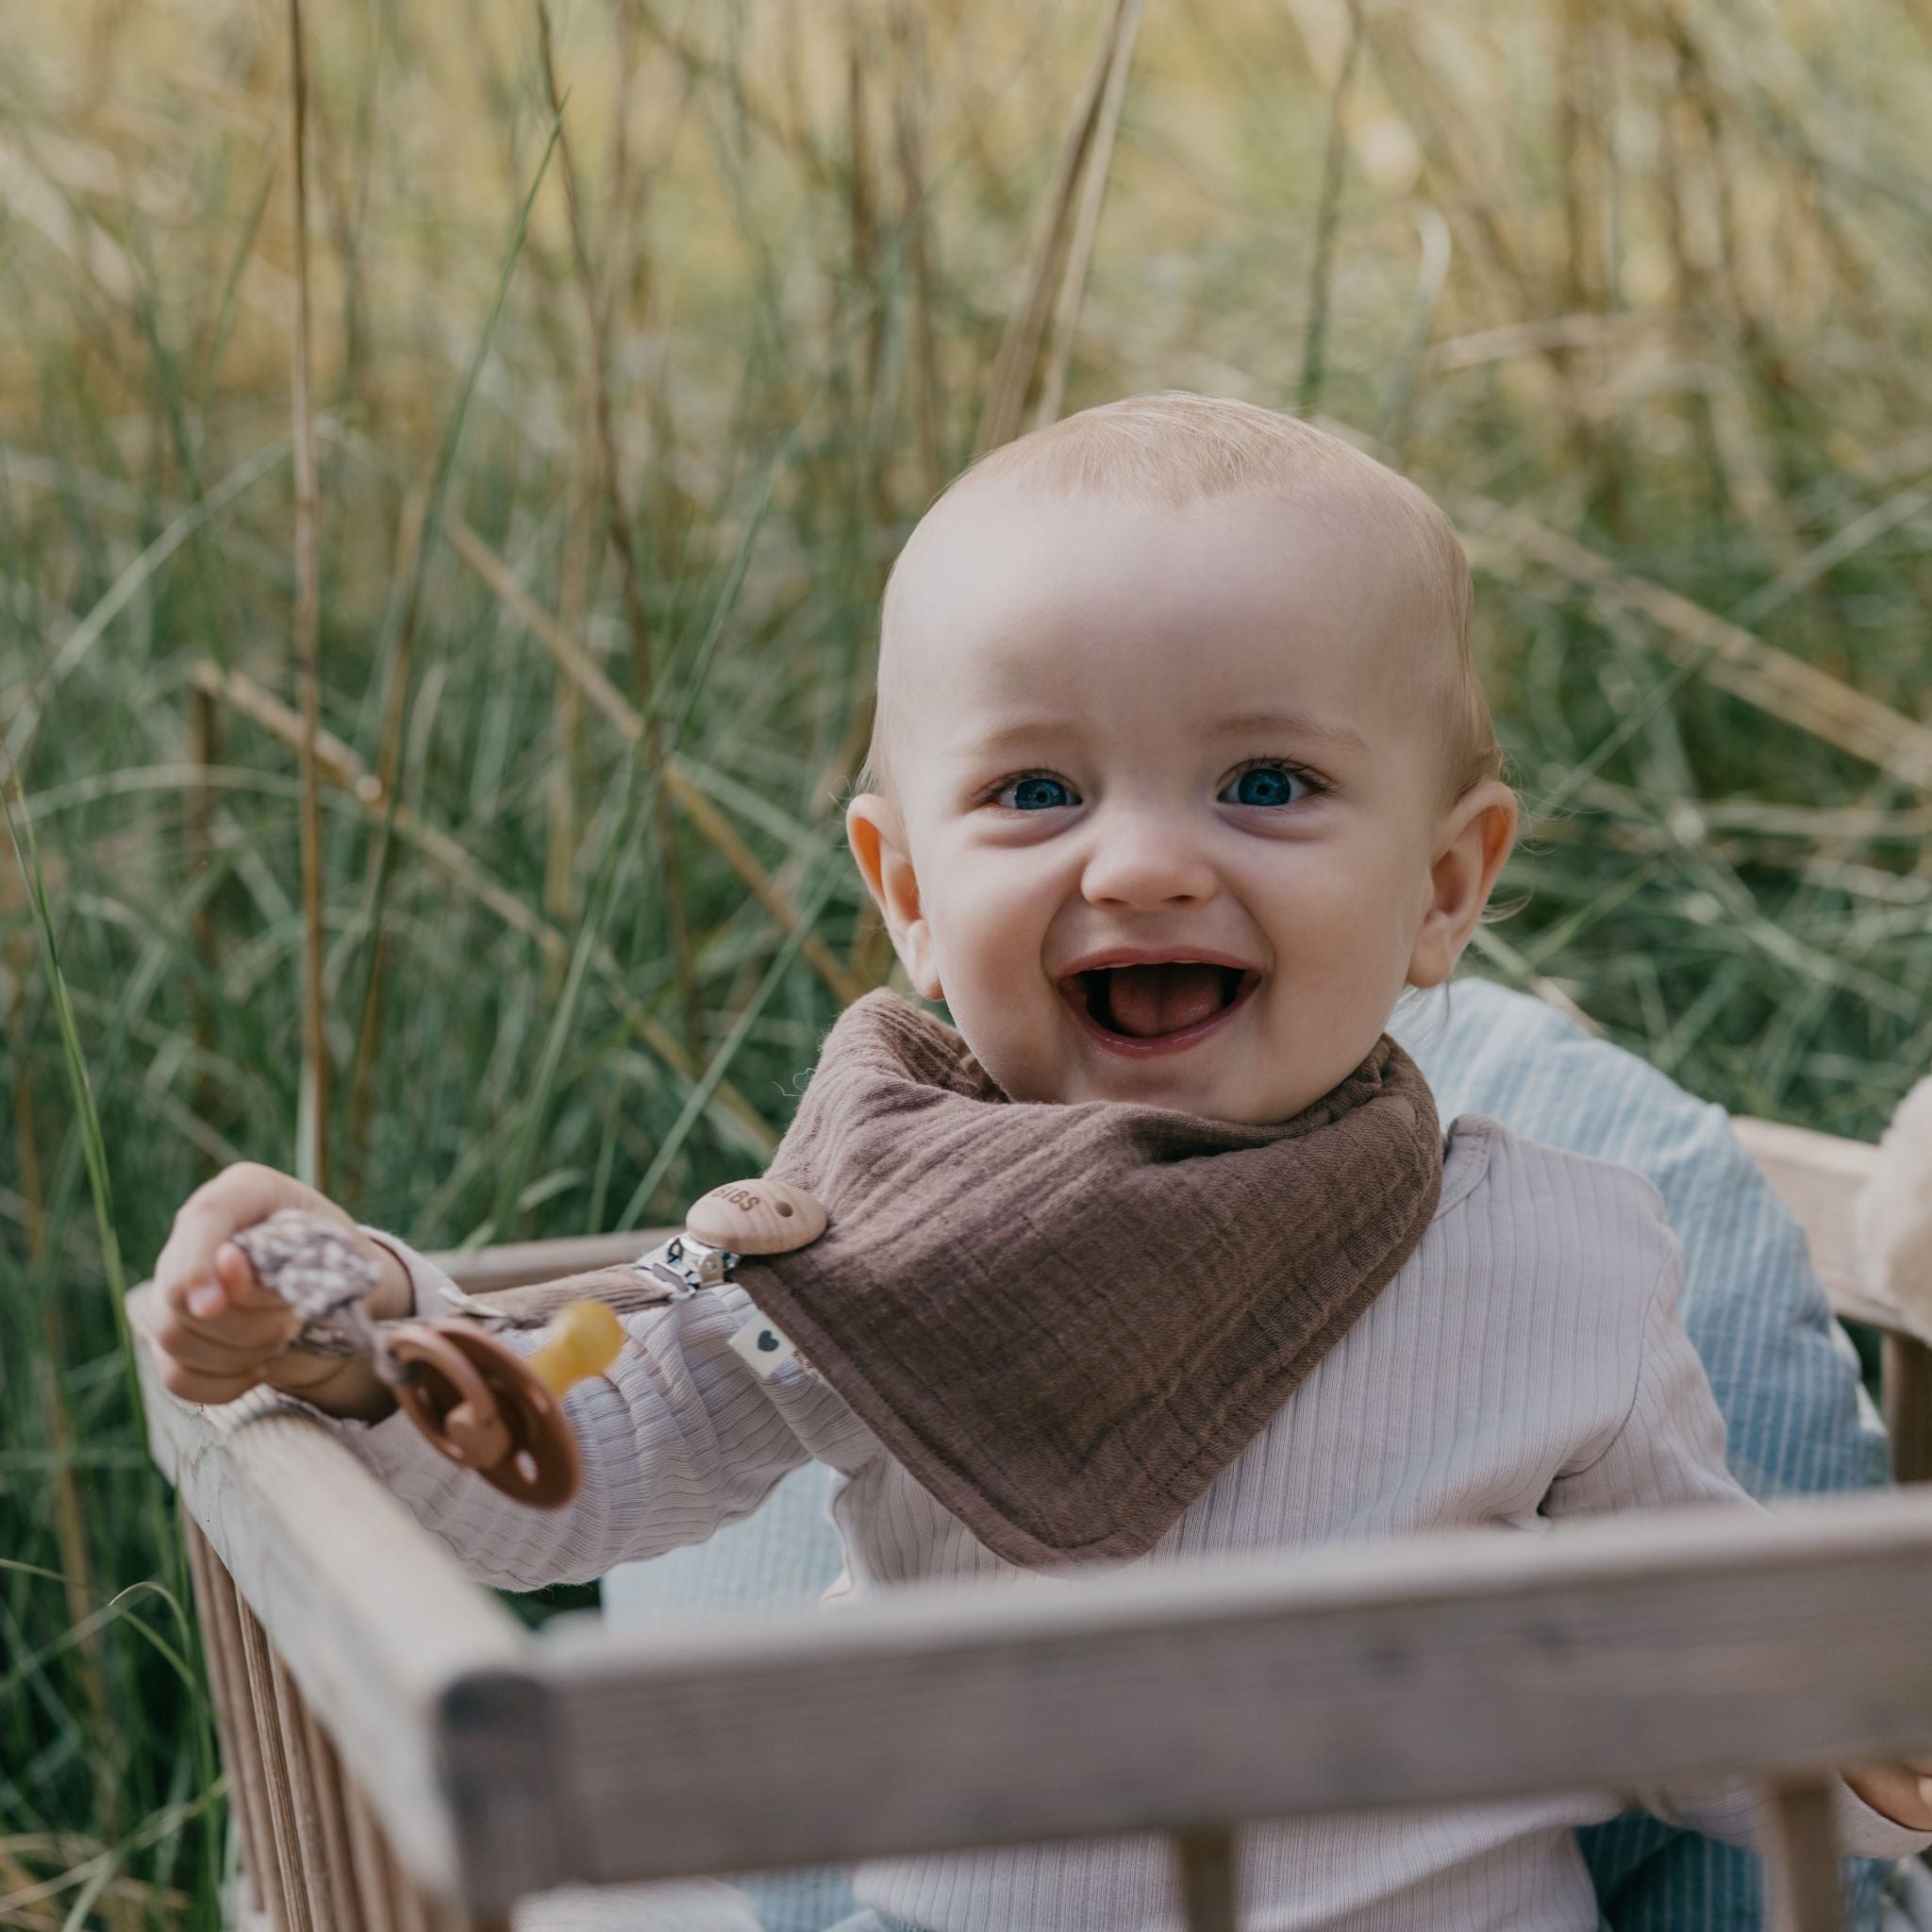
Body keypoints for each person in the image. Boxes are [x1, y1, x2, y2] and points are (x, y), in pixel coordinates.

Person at [148, 393, 1932, 1931]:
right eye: (1034, 796)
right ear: (909, 897)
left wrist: (1864, 1744)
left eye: (1265, 785)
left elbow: (1696, 1666)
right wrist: (362, 1339)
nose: (1145, 866)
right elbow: (572, 1468)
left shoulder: (1563, 1259)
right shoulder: (864, 1241)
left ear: (1448, 886)